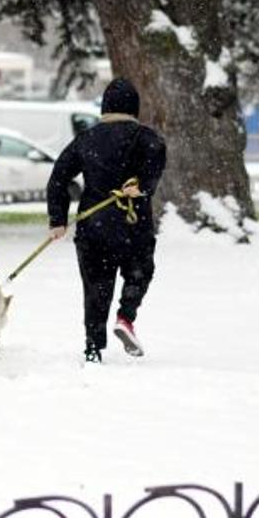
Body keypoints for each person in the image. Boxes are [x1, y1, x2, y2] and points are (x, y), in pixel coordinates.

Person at [46, 77, 167, 364]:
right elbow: (157, 154)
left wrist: (58, 219)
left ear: (105, 107)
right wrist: (143, 185)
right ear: (134, 108)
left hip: (94, 226)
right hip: (133, 224)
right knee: (139, 272)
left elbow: (59, 177)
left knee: (96, 287)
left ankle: (93, 346)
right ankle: (125, 317)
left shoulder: (87, 138)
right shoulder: (146, 137)